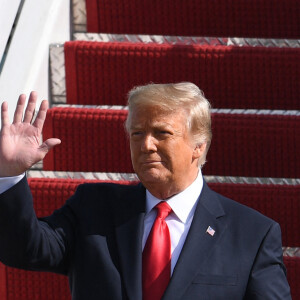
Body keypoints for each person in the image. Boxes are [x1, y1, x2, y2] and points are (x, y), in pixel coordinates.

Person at [0, 83, 291, 299]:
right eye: (137, 133)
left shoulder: (252, 234)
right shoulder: (93, 208)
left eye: (161, 133)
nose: (146, 145)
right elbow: (23, 250)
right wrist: (10, 174)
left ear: (199, 145)